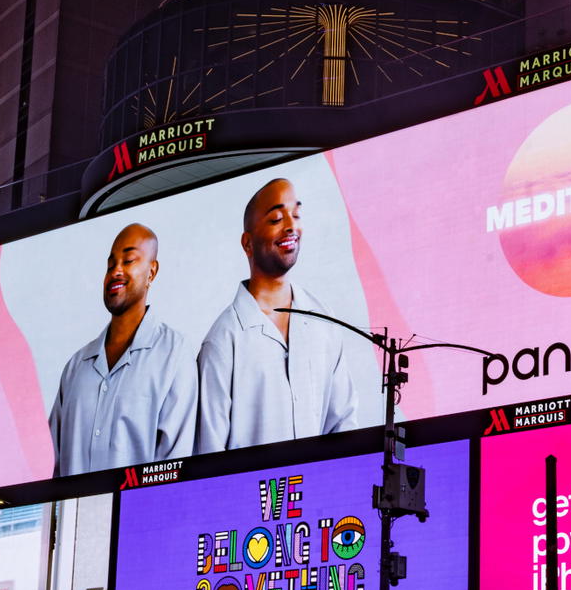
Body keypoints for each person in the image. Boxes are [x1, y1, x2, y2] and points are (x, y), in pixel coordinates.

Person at [195, 178, 361, 454]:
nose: (290, 226)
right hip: (252, 496)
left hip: (321, 492)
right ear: (247, 243)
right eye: (275, 218)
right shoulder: (223, 341)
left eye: (295, 215)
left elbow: (343, 424)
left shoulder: (323, 320)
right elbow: (208, 455)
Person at [48, 222, 197, 477]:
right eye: (110, 265)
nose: (116, 271)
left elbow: (178, 466)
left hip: (142, 516)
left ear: (152, 271)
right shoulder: (76, 367)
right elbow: (49, 465)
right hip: (72, 517)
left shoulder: (175, 355)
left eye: (128, 261)